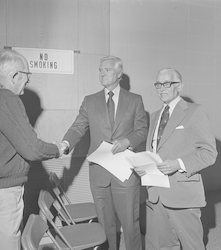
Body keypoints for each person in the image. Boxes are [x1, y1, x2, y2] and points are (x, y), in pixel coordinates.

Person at [61, 55, 148, 250]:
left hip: (125, 173)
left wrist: (128, 141)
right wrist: (65, 144)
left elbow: (142, 130)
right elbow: (77, 128)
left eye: (107, 70)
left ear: (119, 74)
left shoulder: (135, 100)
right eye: (100, 70)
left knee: (130, 224)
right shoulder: (90, 101)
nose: (102, 73)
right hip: (99, 173)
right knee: (104, 225)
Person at [134, 68, 217, 250]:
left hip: (182, 192)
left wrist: (178, 164)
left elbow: (209, 153)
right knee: (164, 245)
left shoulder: (195, 111)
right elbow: (155, 152)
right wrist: (145, 168)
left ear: (179, 86)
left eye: (166, 84)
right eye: (158, 84)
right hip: (156, 193)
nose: (161, 88)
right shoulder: (155, 116)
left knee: (192, 245)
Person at [0, 49, 61, 250]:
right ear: (14, 76)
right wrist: (57, 150)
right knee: (9, 243)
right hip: (5, 191)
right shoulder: (7, 99)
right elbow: (32, 149)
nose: (25, 87)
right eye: (26, 78)